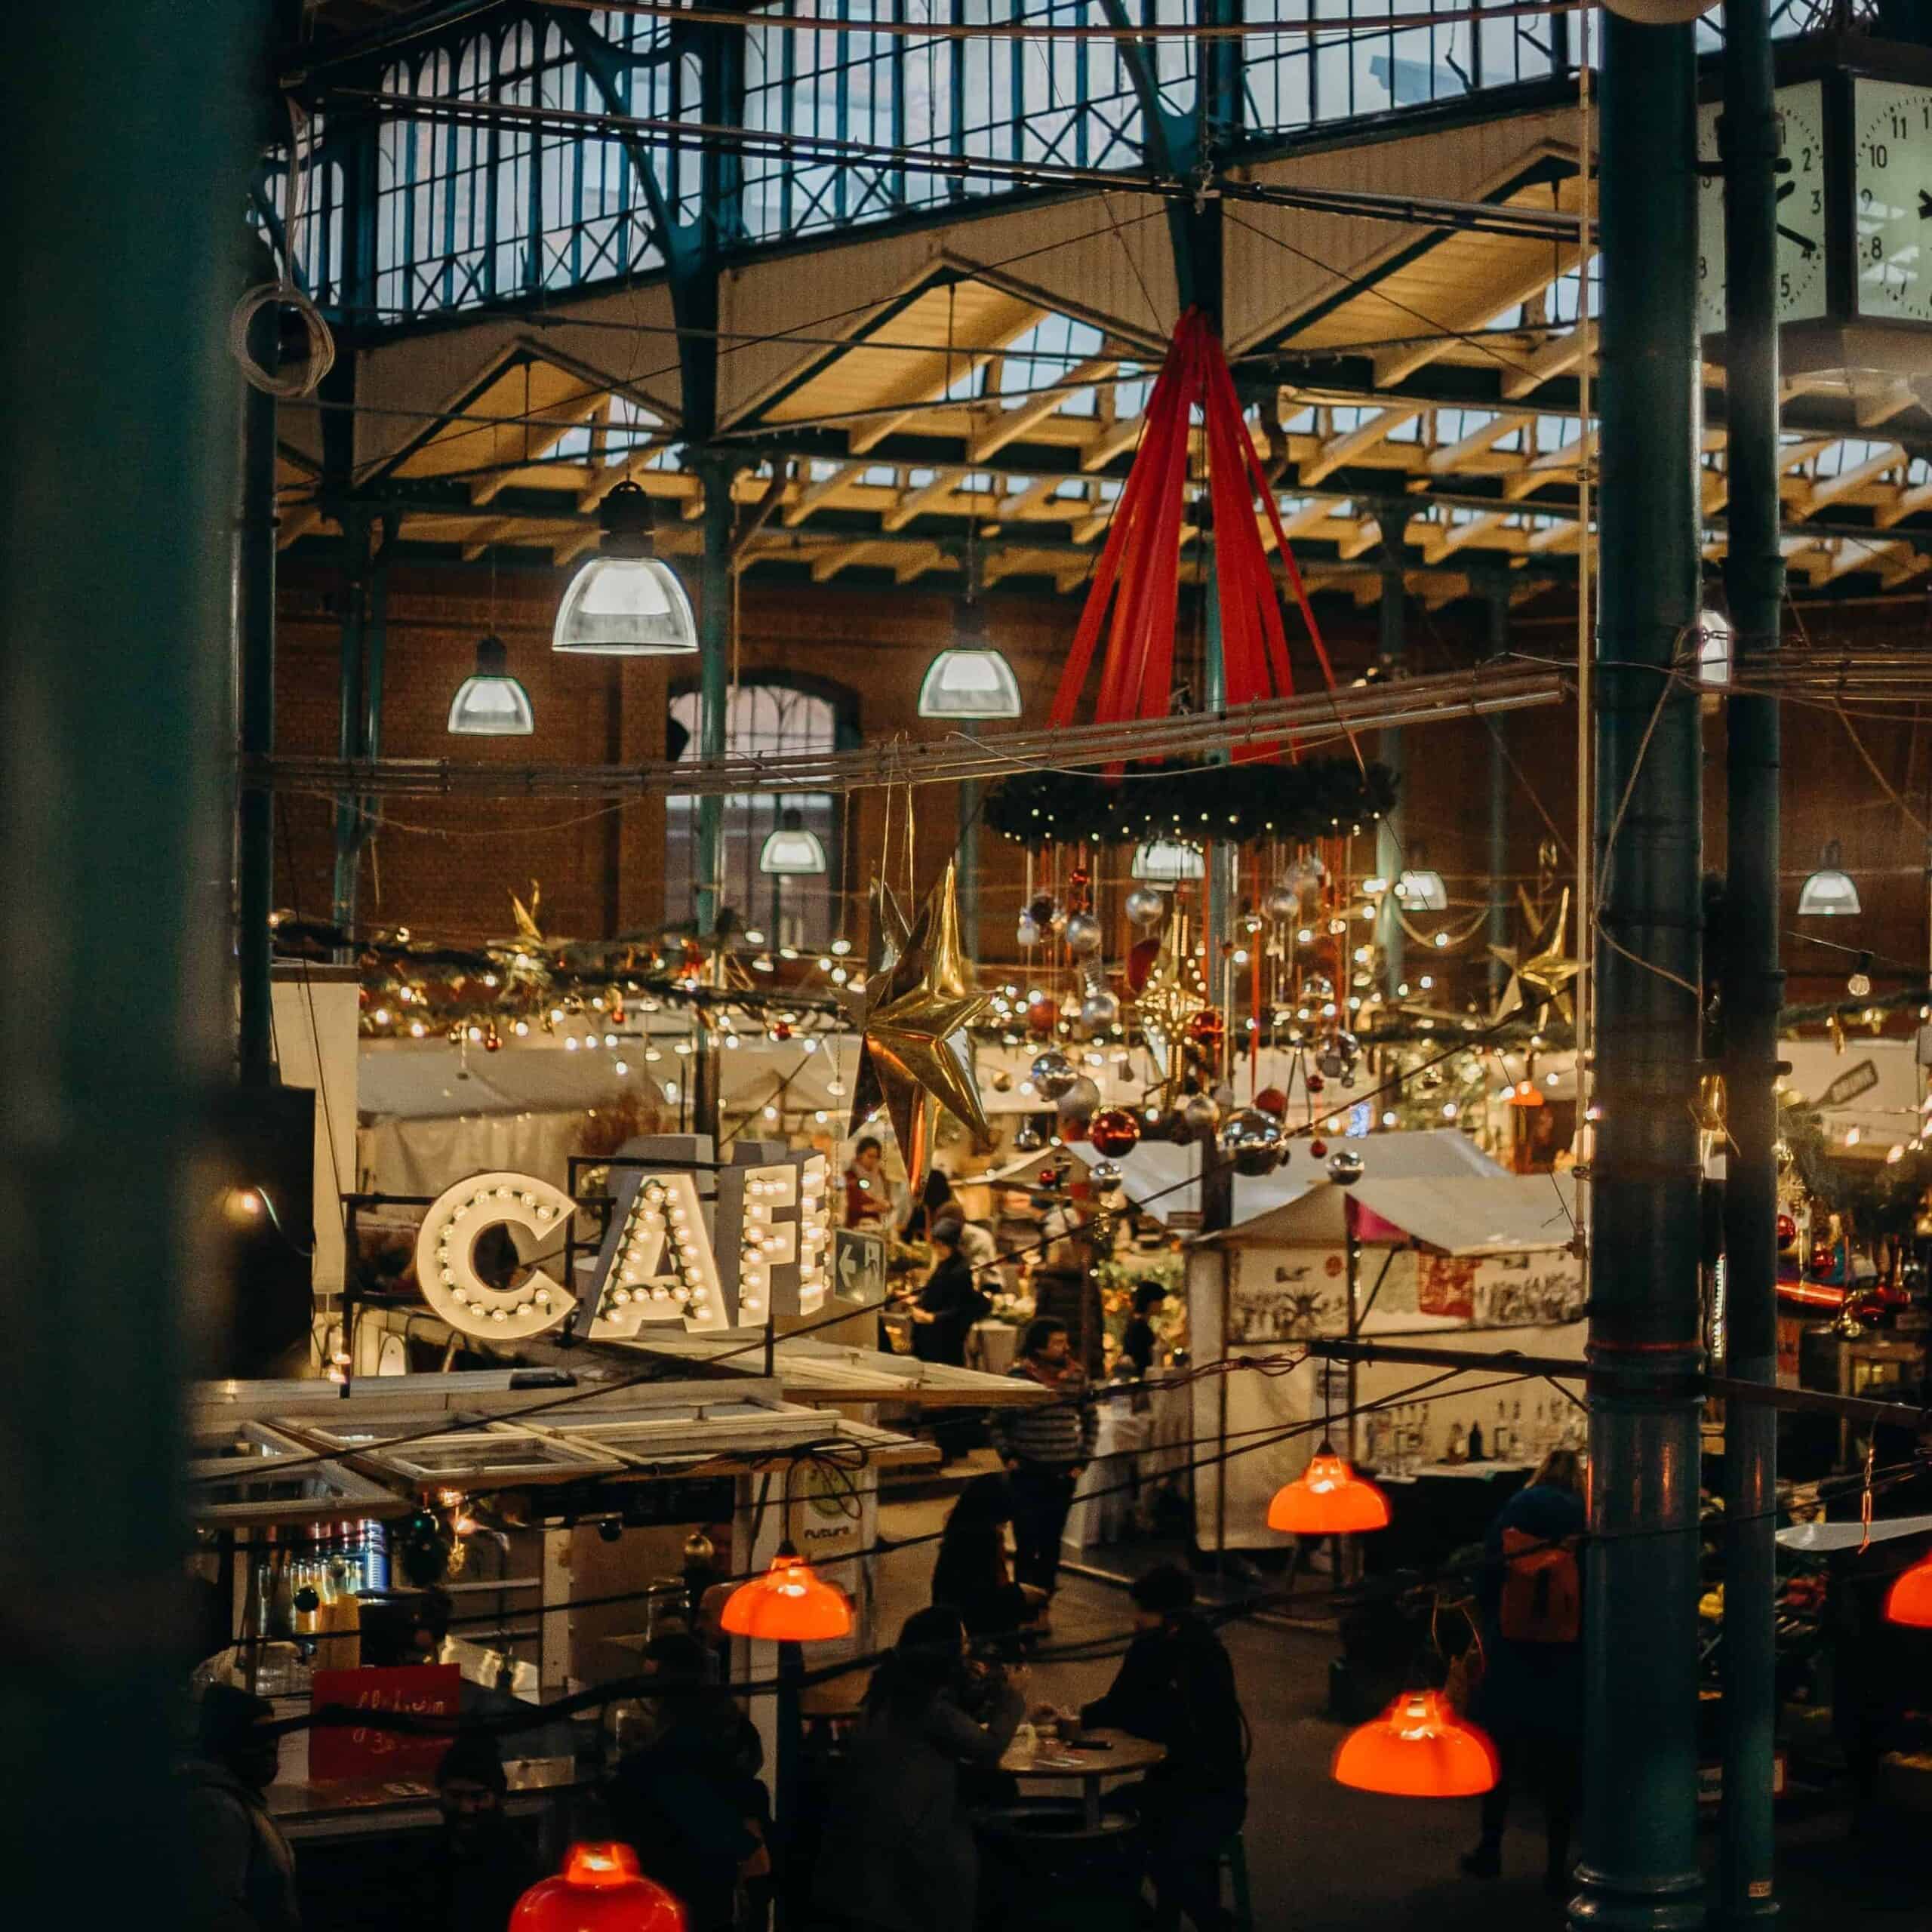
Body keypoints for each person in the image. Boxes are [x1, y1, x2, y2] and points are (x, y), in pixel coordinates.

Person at [814, 1607, 1023, 1932]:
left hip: (866, 1853)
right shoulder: (926, 1707)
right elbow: (987, 1748)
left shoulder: (890, 1689)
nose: (967, 1652)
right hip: (916, 1851)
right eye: (962, 1646)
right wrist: (1013, 1695)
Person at [1063, 1563, 1247, 1932]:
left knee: (1122, 1837)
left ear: (1165, 1616)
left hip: (1201, 1795)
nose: (1134, 1621)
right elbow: (1126, 1706)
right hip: (1201, 1788)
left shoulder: (1175, 1652)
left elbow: (1122, 1706)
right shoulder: (1204, 1646)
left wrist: (1074, 1722)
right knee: (1113, 1824)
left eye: (1141, 1612)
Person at [1460, 1445, 1586, 1897]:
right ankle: (1557, 1866)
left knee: (1500, 1752)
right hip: (1565, 1656)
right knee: (1561, 1764)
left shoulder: (1517, 1507)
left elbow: (1488, 1573)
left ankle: (1490, 1847)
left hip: (1513, 1649)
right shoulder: (1586, 1516)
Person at [607, 1634, 768, 1932]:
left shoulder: (665, 1762)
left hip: (677, 1895)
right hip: (716, 1896)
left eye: (652, 1686)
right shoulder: (733, 1736)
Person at [180, 1684, 301, 1932]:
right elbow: (218, 1911)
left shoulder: (238, 1798)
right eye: (258, 1739)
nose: (270, 1751)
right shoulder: (218, 1808)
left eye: (273, 1740)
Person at [992, 1316, 1098, 1598]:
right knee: (1027, 1538)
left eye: (1065, 1341)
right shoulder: (1018, 1378)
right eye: (1057, 1342)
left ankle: (1044, 1599)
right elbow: (997, 1420)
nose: (1064, 1348)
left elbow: (1091, 1418)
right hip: (1027, 1468)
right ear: (1039, 1348)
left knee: (1052, 1539)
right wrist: (1008, 1455)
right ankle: (1024, 1600)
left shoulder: (1076, 1376)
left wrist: (1082, 1459)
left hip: (1063, 1470)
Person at [401, 1730, 538, 1932]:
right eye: (455, 1796)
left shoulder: (520, 1866)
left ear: (499, 1798)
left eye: (478, 1797)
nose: (466, 1808)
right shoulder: (424, 1860)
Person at [931, 1473, 1046, 1643]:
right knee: (1037, 1596)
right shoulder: (985, 1537)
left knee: (1030, 1595)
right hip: (975, 1606)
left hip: (955, 1601)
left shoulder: (960, 1525)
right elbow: (991, 1589)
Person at [1028, 1208, 1105, 1379]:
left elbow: (1040, 1320)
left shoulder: (1052, 1282)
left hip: (1062, 1352)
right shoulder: (1087, 1282)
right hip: (1079, 1352)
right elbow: (1098, 1322)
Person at [909, 1219, 988, 1368]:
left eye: (941, 1246)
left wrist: (933, 1317)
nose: (937, 1250)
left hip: (946, 1339)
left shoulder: (961, 1271)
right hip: (929, 1337)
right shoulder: (943, 1265)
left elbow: (963, 1308)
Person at [1119, 1282, 1168, 1379]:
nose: (1162, 1305)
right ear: (1151, 1302)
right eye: (1160, 1301)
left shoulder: (1138, 1324)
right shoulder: (1139, 1327)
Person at [843, 1137, 892, 1228]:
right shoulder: (849, 1177)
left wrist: (887, 1206)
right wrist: (872, 1208)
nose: (873, 1160)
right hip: (855, 1227)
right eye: (870, 1156)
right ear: (860, 1155)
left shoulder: (881, 1176)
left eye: (876, 1157)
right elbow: (848, 1207)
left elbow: (889, 1200)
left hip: (876, 1226)